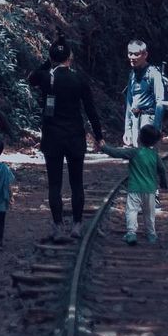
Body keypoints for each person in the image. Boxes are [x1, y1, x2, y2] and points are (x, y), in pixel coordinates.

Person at [28, 37, 103, 242]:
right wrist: (99, 136)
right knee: (76, 182)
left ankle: (58, 225)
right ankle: (77, 225)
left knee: (55, 184)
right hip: (75, 137)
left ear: (52, 57)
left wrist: (48, 61)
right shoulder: (79, 79)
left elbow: (31, 78)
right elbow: (90, 110)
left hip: (52, 137)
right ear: (70, 57)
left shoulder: (46, 77)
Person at [102, 123, 168, 244]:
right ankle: (151, 235)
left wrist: (103, 147)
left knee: (132, 211)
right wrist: (164, 183)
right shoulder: (155, 155)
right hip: (150, 190)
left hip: (135, 189)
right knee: (149, 213)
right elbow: (162, 170)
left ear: (139, 138)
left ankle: (131, 233)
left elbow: (116, 153)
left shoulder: (134, 152)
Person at [123, 39, 168, 147]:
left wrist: (156, 128)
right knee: (137, 153)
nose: (132, 57)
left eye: (136, 54)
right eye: (130, 54)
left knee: (148, 155)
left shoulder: (153, 73)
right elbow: (129, 103)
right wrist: (127, 129)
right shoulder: (132, 75)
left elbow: (160, 101)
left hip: (149, 119)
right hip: (135, 119)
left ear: (145, 55)